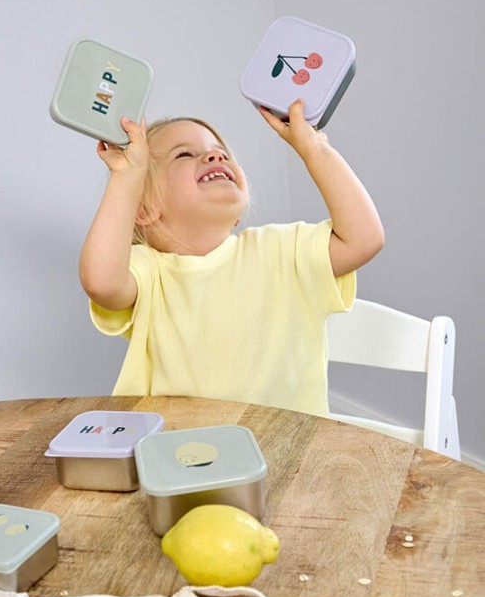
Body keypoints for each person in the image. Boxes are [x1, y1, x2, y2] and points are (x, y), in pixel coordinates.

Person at [79, 99, 384, 416]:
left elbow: (364, 239)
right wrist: (126, 177)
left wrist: (315, 149)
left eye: (221, 153)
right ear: (142, 209)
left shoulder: (281, 251)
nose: (214, 156)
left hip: (286, 455)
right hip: (175, 455)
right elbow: (101, 281)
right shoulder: (149, 271)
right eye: (184, 154)